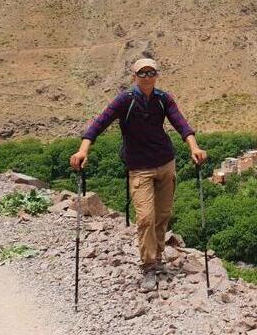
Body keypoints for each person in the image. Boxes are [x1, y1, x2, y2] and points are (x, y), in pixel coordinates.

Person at [70, 58, 207, 291]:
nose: (146, 77)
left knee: (163, 215)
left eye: (150, 72)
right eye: (142, 73)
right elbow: (98, 124)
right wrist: (83, 150)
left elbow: (181, 124)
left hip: (166, 163)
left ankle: (158, 256)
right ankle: (148, 266)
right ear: (134, 76)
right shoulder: (125, 101)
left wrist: (194, 147)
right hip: (140, 168)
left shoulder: (163, 99)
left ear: (156, 75)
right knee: (145, 217)